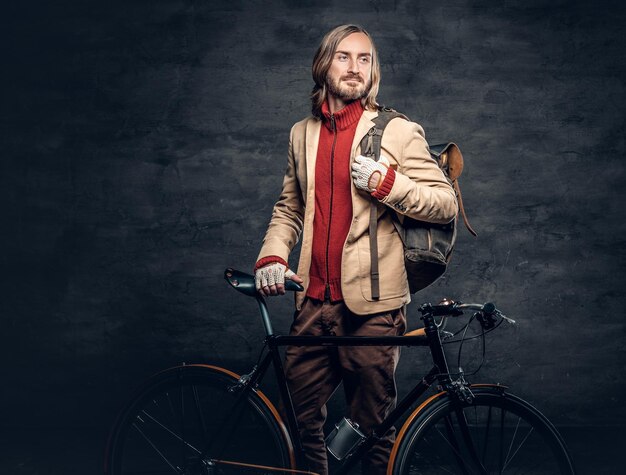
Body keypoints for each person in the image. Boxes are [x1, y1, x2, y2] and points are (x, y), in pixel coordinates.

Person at [254, 24, 457, 475]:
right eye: (344, 57)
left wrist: (388, 184)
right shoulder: (301, 133)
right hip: (311, 301)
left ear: (374, 70)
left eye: (364, 59)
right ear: (323, 64)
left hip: (373, 308)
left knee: (372, 429)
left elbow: (444, 204)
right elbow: (289, 207)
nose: (355, 68)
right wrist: (272, 256)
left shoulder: (398, 131)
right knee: (300, 423)